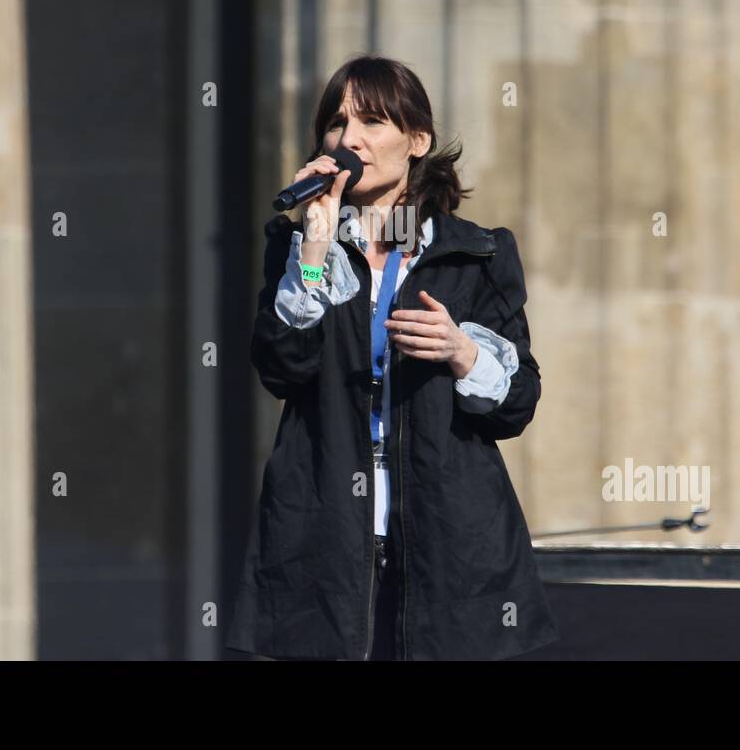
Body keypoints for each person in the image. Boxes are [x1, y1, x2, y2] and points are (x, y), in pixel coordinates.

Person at [224, 54, 560, 661]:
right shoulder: (300, 246)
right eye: (336, 124)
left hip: (448, 542)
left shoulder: (475, 255)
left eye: (372, 122)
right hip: (324, 539)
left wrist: (462, 352)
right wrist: (314, 250)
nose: (349, 139)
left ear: (418, 141)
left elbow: (518, 403)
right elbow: (281, 369)